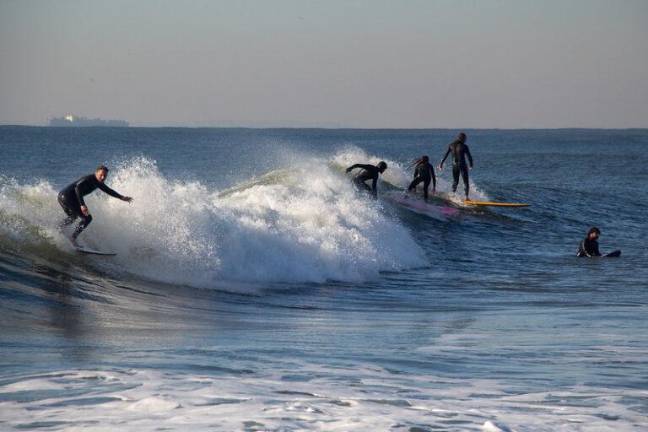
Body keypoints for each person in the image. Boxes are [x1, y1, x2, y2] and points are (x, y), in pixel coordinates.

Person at [58, 165, 132, 246]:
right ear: (96, 173)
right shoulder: (89, 179)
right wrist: (82, 205)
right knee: (87, 218)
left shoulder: (98, 182)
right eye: (101, 175)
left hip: (62, 196)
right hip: (67, 197)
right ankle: (73, 238)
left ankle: (58, 228)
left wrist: (121, 197)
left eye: (105, 176)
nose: (103, 177)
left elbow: (108, 190)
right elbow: (77, 188)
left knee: (73, 217)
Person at [438, 132, 473, 199]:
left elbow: (445, 155)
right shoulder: (464, 146)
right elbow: (469, 156)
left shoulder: (451, 145)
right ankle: (467, 197)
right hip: (462, 165)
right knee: (466, 182)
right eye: (465, 139)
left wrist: (441, 164)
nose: (465, 140)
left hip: (454, 166)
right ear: (462, 138)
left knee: (455, 181)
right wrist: (471, 165)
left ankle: (453, 194)